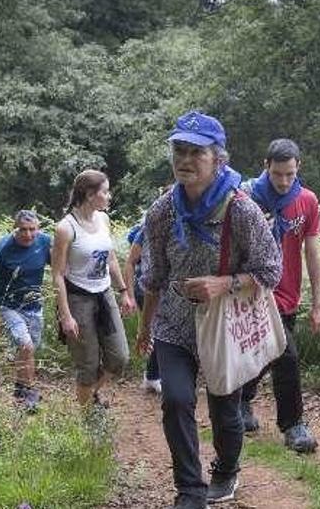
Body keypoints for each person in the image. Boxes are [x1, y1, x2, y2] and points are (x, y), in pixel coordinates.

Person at [136, 110, 282, 509]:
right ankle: (190, 490)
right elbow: (154, 277)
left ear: (219, 159)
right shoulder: (163, 212)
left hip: (225, 326)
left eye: (195, 153)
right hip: (175, 326)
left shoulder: (241, 210)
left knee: (225, 410)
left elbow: (271, 269)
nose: (185, 160)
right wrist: (145, 328)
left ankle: (226, 469)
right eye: (179, 150)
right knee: (177, 400)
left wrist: (224, 284)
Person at [238, 138, 320, 453]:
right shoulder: (245, 197)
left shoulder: (307, 201)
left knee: (264, 356)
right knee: (285, 354)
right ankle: (293, 425)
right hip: (252, 293)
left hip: (288, 293)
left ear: (297, 167)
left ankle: (241, 400)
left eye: (289, 173)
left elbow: (312, 253)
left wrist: (318, 302)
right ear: (266, 167)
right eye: (277, 174)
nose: (283, 180)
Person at [52, 170, 133, 410]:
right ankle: (88, 417)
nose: (109, 197)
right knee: (87, 364)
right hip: (78, 298)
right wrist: (65, 315)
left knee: (119, 357)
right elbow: (57, 274)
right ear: (89, 195)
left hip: (105, 293)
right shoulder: (65, 228)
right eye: (105, 192)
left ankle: (88, 396)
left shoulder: (103, 220)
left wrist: (124, 291)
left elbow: (111, 259)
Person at [0, 210, 52, 412]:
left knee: (28, 349)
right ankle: (31, 392)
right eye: (23, 230)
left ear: (38, 229)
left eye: (33, 230)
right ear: (15, 228)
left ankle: (19, 387)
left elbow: (57, 267)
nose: (28, 235)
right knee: (27, 346)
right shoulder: (2, 248)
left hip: (34, 305)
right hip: (9, 305)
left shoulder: (44, 242)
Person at [123, 218, 161, 394]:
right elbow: (130, 262)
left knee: (161, 330)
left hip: (165, 287)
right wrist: (129, 294)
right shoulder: (150, 226)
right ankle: (152, 376)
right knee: (157, 329)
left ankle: (154, 375)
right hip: (144, 286)